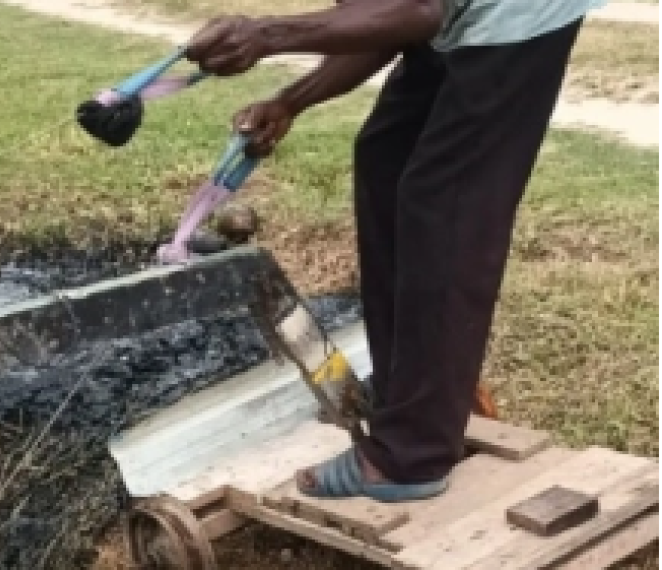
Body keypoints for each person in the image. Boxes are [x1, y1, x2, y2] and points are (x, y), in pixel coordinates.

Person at [184, 0, 604, 502]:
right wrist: (291, 101)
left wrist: (267, 35)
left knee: (447, 206)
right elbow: (385, 21)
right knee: (385, 158)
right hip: (458, 14)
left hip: (515, 17)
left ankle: (412, 456)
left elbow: (418, 10)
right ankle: (408, 392)